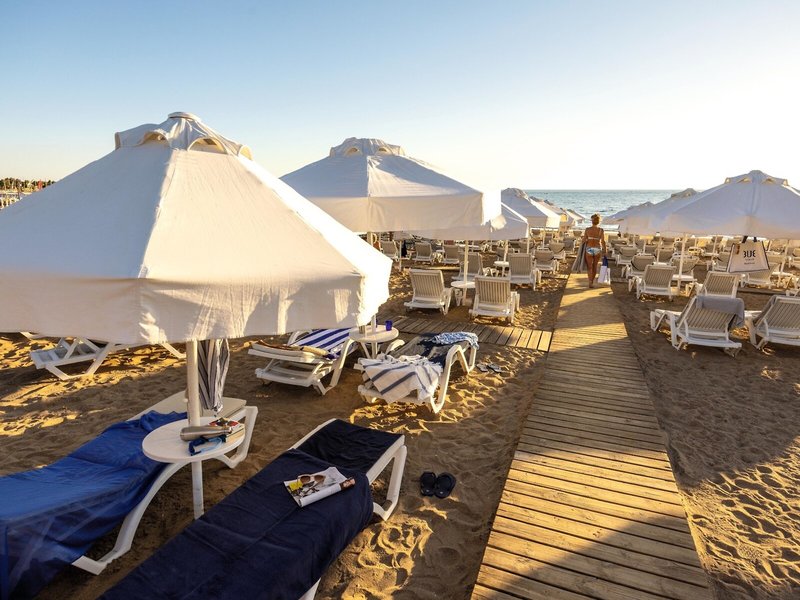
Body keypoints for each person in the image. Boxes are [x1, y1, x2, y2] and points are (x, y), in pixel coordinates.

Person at [582, 214, 607, 288]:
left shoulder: (587, 229)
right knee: (595, 266)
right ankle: (592, 281)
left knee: (589, 267)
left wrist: (585, 240)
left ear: (592, 221)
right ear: (598, 221)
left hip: (589, 249)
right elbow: (603, 241)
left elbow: (583, 240)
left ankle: (590, 282)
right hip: (597, 249)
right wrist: (605, 250)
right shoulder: (601, 230)